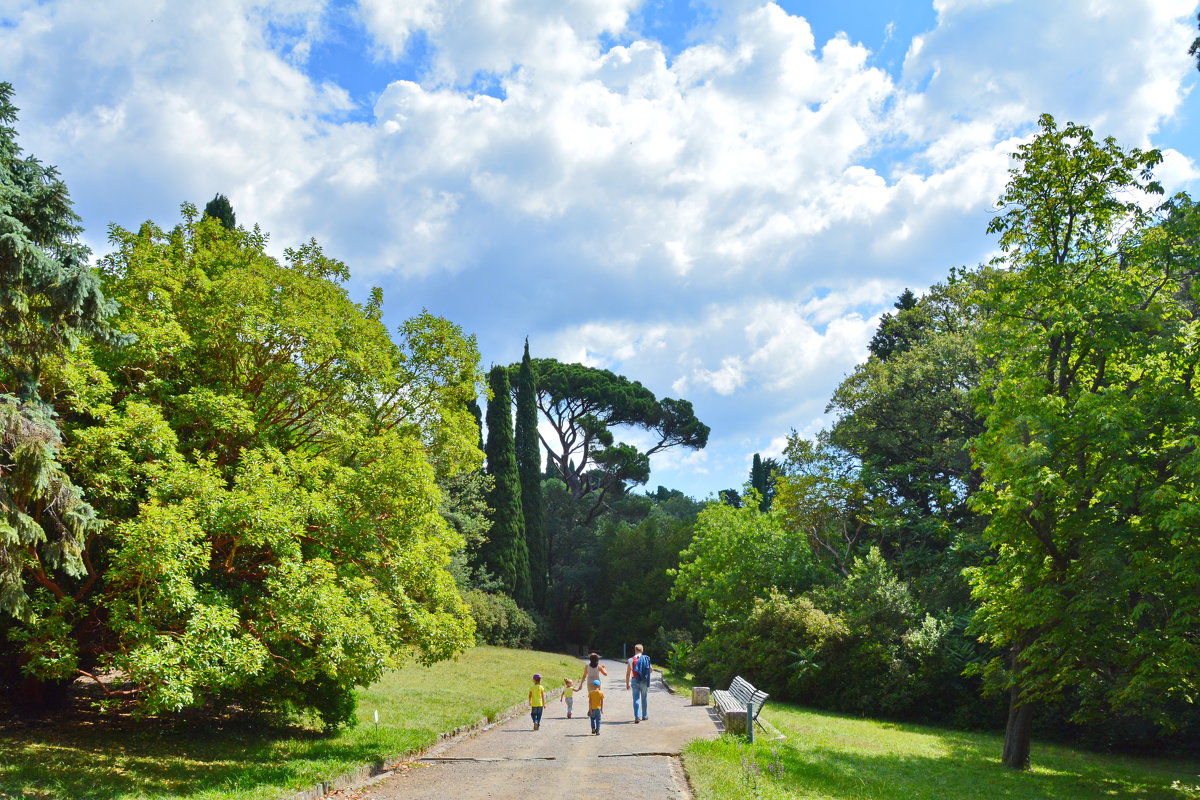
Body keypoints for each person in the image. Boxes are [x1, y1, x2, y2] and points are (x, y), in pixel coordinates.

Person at [625, 643, 651, 722]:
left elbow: (628, 673)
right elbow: (651, 669)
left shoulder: (630, 660)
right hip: (644, 680)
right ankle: (645, 715)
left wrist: (627, 683)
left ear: (635, 650)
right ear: (642, 650)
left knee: (636, 698)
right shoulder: (646, 658)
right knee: (644, 698)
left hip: (634, 680)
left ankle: (637, 717)